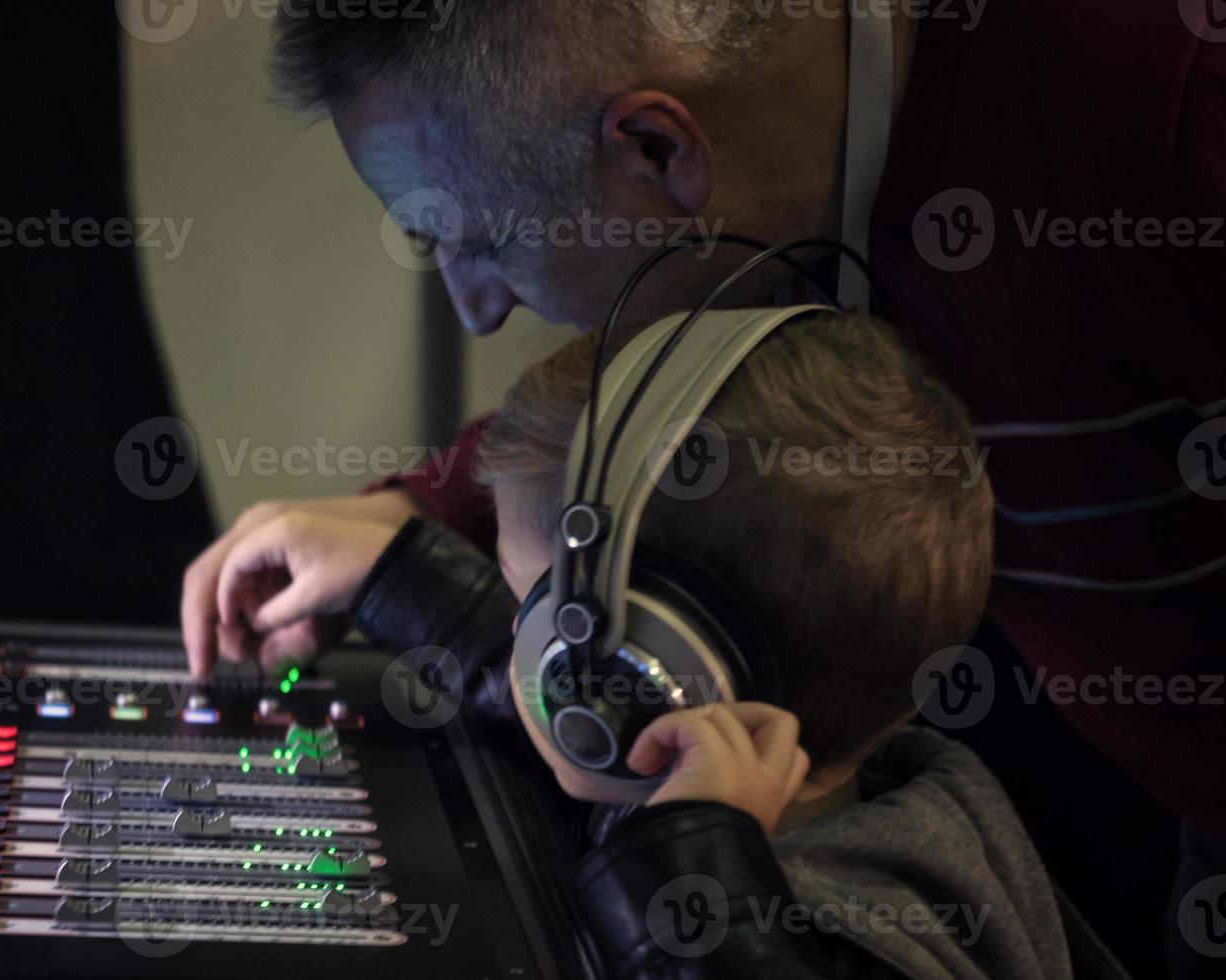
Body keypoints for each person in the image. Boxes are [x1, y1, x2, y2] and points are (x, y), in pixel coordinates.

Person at [187, 3, 1226, 973]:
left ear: (657, 150)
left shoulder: (1171, 107)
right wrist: (414, 526)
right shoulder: (774, 213)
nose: (477, 311)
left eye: (483, 241)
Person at [190, 312, 1130, 977]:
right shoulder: (803, 791)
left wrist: (699, 879)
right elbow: (564, 728)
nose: (531, 660)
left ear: (660, 678)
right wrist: (403, 573)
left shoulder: (884, 909)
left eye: (532, 613)